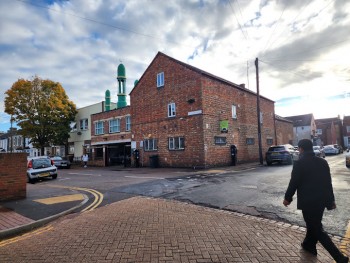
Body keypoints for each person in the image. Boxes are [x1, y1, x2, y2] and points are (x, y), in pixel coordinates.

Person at [283, 139, 348, 263]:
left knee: (317, 229)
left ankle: (339, 257)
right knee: (313, 225)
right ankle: (309, 245)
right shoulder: (323, 162)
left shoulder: (299, 163)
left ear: (301, 149)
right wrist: (330, 201)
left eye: (299, 149)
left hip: (308, 203)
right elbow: (328, 184)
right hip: (321, 202)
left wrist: (287, 198)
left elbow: (294, 183)